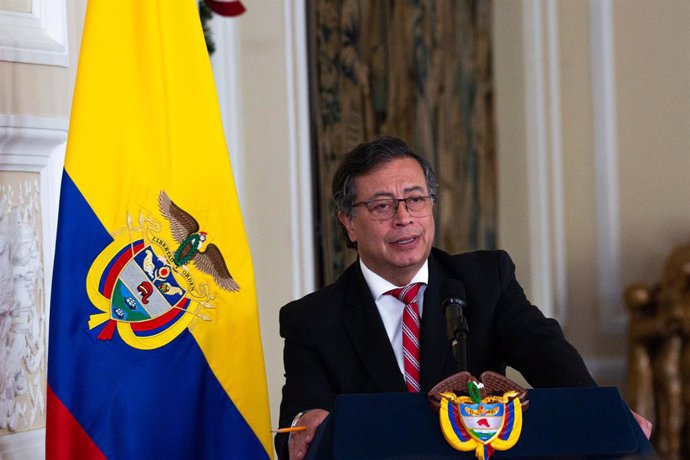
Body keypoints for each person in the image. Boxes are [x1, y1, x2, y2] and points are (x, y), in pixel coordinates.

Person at [276, 136, 596, 460]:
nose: (404, 218)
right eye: (382, 206)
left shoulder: (486, 281)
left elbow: (547, 352)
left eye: (415, 200)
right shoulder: (312, 320)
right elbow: (301, 414)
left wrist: (603, 412)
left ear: (431, 206)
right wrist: (307, 420)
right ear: (348, 222)